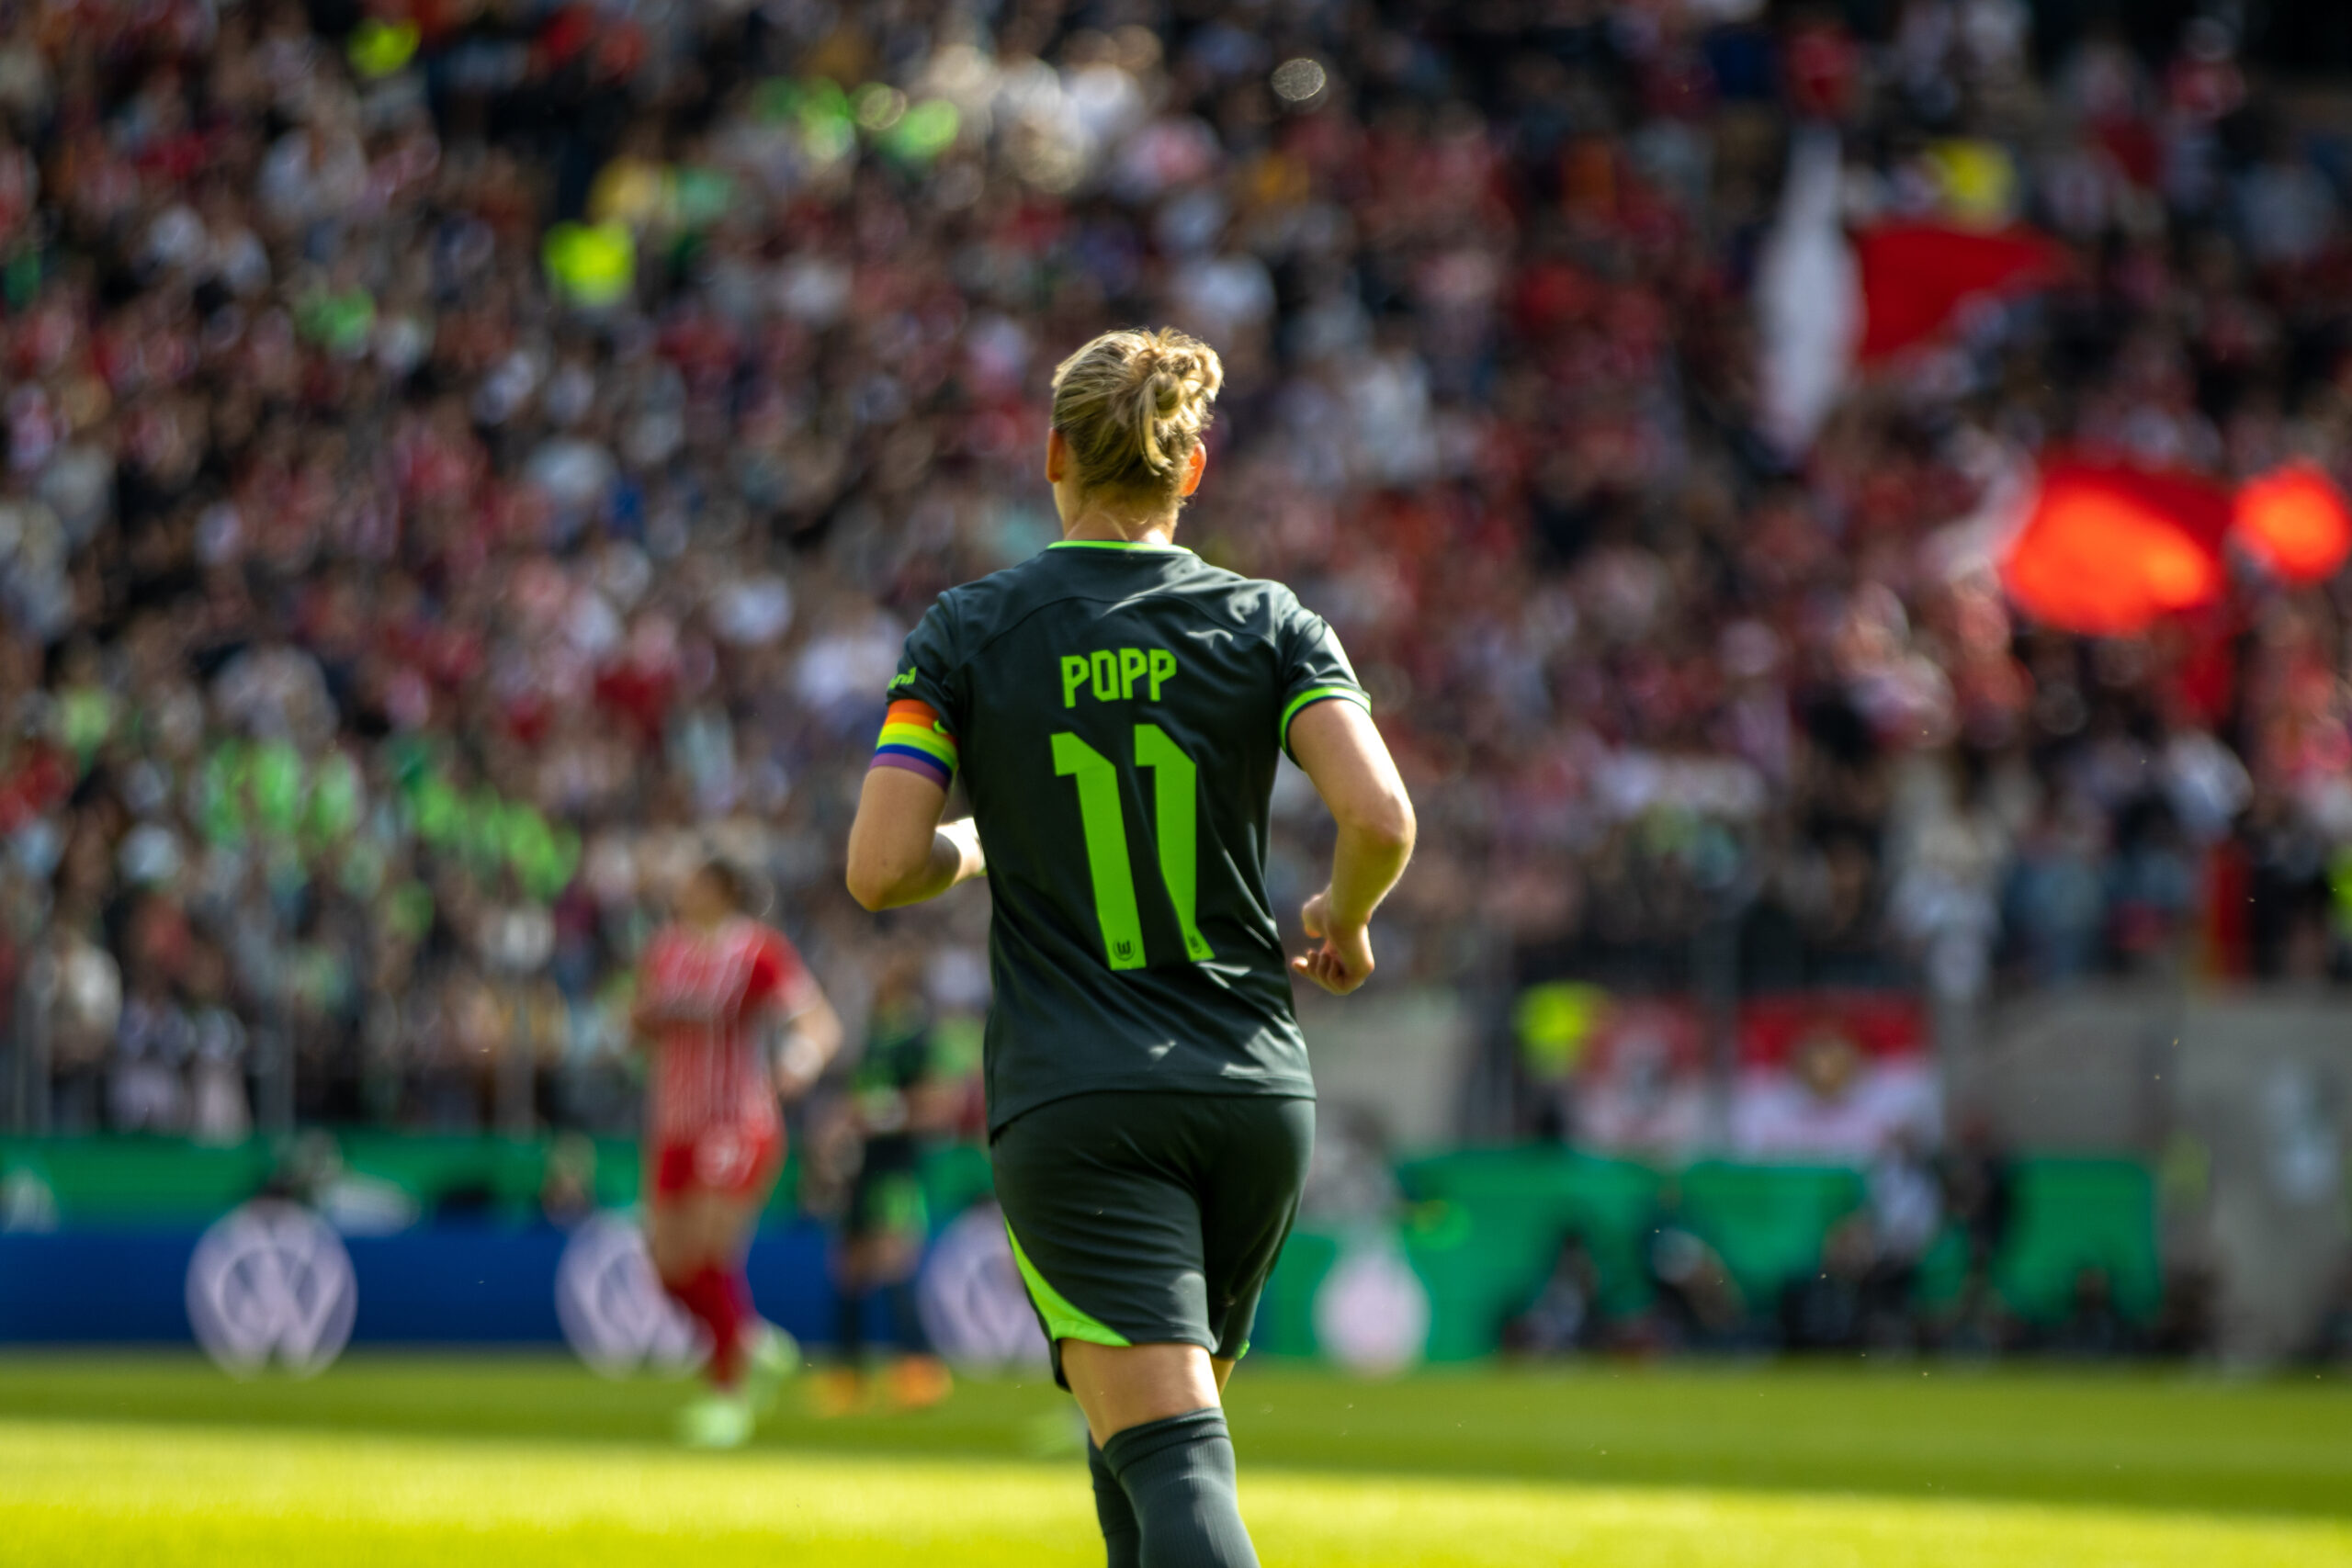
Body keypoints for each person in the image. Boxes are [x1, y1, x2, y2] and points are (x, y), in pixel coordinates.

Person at [845, 326, 1415, 1567]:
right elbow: (1380, 818)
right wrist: (1347, 917)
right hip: (1252, 1095)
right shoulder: (1270, 621)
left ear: (1053, 453)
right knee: (1138, 1466)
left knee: (1173, 1462)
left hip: (1082, 1093)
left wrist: (981, 842)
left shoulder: (966, 631)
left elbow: (880, 867)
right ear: (1191, 468)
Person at [632, 857, 843, 1449]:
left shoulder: (757, 951)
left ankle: (728, 1394)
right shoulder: (665, 951)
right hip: (673, 1124)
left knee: (708, 1253)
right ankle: (752, 1341)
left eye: (696, 881)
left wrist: (800, 1062)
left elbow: (818, 1023)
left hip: (735, 1122)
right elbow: (638, 1024)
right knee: (666, 1269)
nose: (684, 889)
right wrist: (642, 1019)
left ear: (724, 890)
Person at [812, 945, 959, 1416]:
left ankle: (921, 1374)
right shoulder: (874, 1035)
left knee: (894, 1268)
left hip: (897, 1169)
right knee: (849, 1272)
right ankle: (846, 1377)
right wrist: (842, 1128)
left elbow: (938, 1107)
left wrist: (879, 1114)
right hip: (863, 1168)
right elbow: (855, 1102)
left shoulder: (919, 1036)